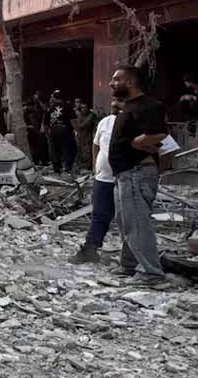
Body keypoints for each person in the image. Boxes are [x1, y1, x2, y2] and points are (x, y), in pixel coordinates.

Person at [108, 66, 168, 286]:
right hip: (125, 173)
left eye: (117, 79)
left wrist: (137, 143)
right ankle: (129, 265)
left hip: (136, 172)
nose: (111, 83)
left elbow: (159, 133)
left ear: (130, 82)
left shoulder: (148, 105)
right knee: (126, 221)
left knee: (137, 223)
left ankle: (151, 273)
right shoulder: (130, 106)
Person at [69, 98, 123, 264]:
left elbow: (167, 149)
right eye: (113, 100)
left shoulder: (140, 121)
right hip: (103, 178)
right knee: (99, 215)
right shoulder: (105, 122)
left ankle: (131, 258)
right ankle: (90, 250)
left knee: (128, 219)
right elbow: (96, 145)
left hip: (126, 179)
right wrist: (96, 167)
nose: (114, 104)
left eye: (119, 101)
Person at [47, 90, 77, 173]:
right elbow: (73, 120)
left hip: (53, 130)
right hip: (65, 130)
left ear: (54, 97)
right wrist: (77, 130)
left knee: (55, 149)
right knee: (67, 148)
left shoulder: (50, 108)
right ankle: (67, 168)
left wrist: (47, 133)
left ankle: (56, 168)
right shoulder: (68, 107)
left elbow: (46, 123)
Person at [73, 98, 99, 172]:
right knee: (79, 152)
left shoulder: (91, 115)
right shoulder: (79, 114)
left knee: (87, 152)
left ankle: (87, 168)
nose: (83, 109)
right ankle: (80, 167)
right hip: (80, 136)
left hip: (88, 135)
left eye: (85, 108)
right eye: (82, 108)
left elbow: (91, 125)